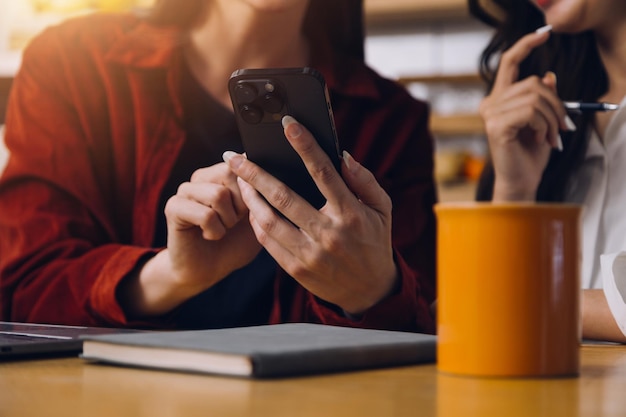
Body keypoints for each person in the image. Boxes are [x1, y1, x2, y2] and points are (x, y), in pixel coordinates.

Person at [0, 0, 437, 332]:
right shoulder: (73, 64)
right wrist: (171, 274)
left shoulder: (393, 120)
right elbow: (21, 292)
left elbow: (428, 332)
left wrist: (372, 292)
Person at [469, 0, 626, 342]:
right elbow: (486, 326)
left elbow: (483, 306)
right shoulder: (556, 124)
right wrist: (514, 189)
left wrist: (522, 305)